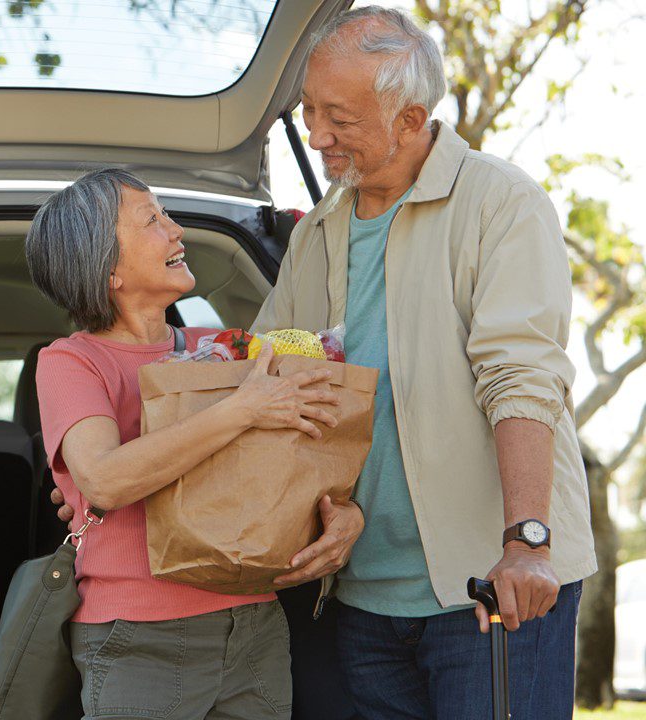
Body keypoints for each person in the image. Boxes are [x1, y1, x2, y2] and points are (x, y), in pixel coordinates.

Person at [55, 6, 597, 717]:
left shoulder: (499, 204)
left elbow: (522, 376)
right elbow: (273, 376)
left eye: (337, 116)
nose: (315, 135)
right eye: (309, 112)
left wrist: (527, 540)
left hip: (490, 586)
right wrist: (332, 510)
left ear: (409, 117)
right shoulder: (319, 235)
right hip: (359, 601)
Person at [26, 167, 365, 719]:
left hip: (253, 625)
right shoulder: (72, 361)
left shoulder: (226, 347)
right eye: (152, 220)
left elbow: (296, 464)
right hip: (139, 637)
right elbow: (105, 481)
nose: (176, 229)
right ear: (108, 268)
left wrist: (347, 512)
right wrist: (243, 409)